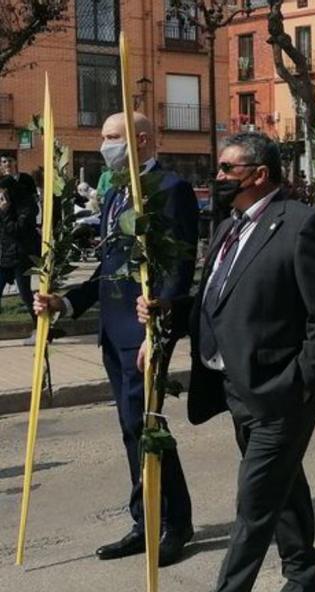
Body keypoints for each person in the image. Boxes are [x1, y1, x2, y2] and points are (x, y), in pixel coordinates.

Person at [137, 131, 315, 592]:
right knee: (283, 490)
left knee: (253, 505)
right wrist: (167, 309)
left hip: (279, 394)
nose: (219, 175)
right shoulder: (230, 226)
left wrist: (299, 385)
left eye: (229, 168)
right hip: (235, 389)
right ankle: (305, 583)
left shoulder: (302, 225)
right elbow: (218, 297)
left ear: (259, 173)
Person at [32, 112, 198, 567]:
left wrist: (159, 326)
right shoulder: (115, 193)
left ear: (141, 140)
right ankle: (145, 520)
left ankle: (173, 524)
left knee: (147, 427)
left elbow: (179, 267)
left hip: (144, 333)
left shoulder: (169, 189)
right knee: (132, 430)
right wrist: (65, 303)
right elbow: (111, 266)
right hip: (113, 330)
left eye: (110, 138)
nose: (103, 145)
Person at [0, 176, 38, 326]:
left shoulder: (26, 206)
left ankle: (41, 328)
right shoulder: (4, 206)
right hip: (5, 256)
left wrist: (5, 213)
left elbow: (16, 229)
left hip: (20, 256)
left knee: (25, 294)